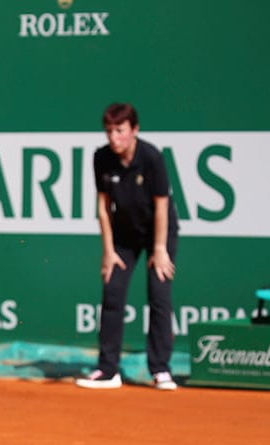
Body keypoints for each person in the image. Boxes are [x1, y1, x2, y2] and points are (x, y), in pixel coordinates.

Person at [77, 103, 179, 391]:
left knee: (159, 294)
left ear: (135, 130)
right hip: (123, 234)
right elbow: (103, 207)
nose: (113, 137)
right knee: (112, 290)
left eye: (120, 131)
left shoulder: (152, 158)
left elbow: (162, 207)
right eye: (109, 131)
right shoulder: (100, 158)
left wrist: (160, 248)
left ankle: (160, 370)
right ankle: (108, 370)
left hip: (159, 231)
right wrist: (108, 251)